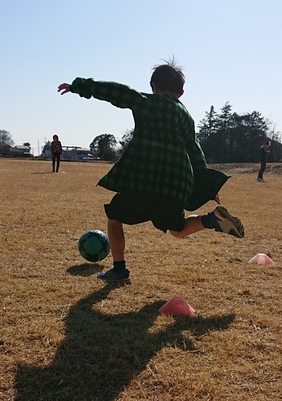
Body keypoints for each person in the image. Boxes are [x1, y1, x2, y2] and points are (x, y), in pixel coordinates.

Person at [58, 61, 244, 283]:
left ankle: (119, 271)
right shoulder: (186, 116)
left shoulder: (147, 102)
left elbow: (118, 92)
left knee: (115, 215)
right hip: (176, 185)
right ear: (181, 93)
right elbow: (195, 150)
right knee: (178, 229)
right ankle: (212, 220)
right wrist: (207, 186)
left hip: (144, 180)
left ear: (153, 86)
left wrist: (80, 86)